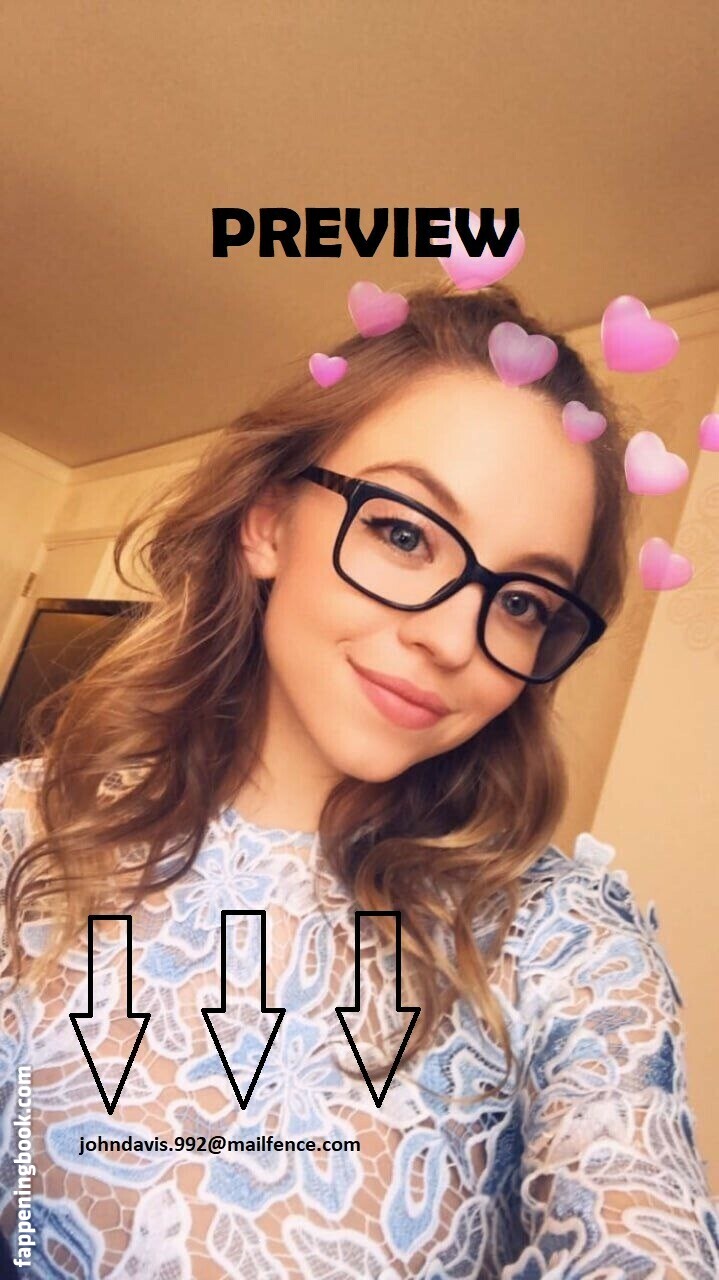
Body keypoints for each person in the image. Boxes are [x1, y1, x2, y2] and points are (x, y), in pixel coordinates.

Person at [0, 278, 716, 1278]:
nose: (451, 638)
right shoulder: (26, 827)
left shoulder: (560, 943)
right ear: (266, 523)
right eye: (404, 532)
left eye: (520, 601)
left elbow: (639, 1222)